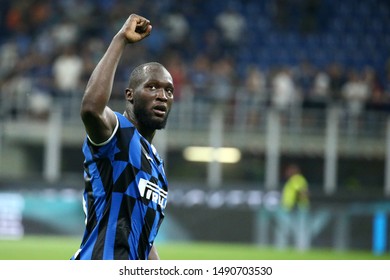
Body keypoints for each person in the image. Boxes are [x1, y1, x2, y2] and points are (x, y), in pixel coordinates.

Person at [71, 14, 174, 260]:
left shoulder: (156, 165)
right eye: (152, 87)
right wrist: (120, 40)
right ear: (130, 95)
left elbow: (144, 239)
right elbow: (91, 109)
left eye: (168, 90)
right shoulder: (117, 134)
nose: (162, 95)